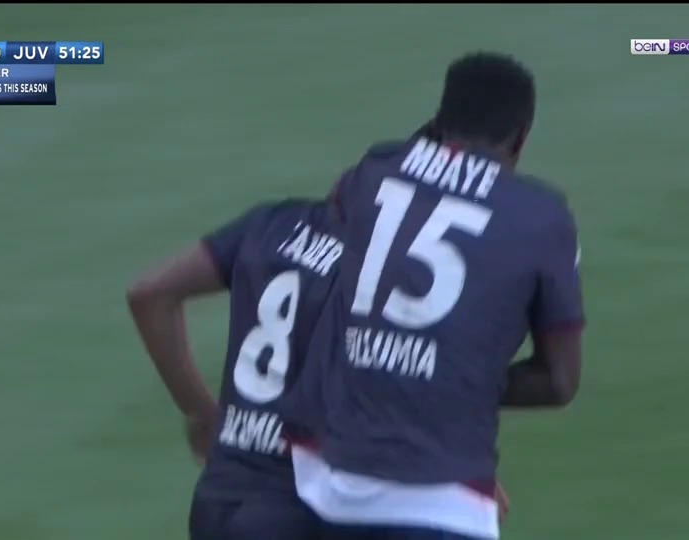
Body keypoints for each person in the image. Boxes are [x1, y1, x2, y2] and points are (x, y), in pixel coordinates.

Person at [282, 52, 585, 540]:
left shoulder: (370, 175)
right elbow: (560, 381)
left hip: (319, 486)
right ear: (521, 139)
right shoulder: (543, 216)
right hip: (443, 504)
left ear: (439, 121)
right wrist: (447, 384)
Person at [126, 197, 346, 540]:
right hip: (301, 509)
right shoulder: (376, 261)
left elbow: (149, 294)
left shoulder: (272, 223)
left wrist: (201, 413)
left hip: (218, 498)